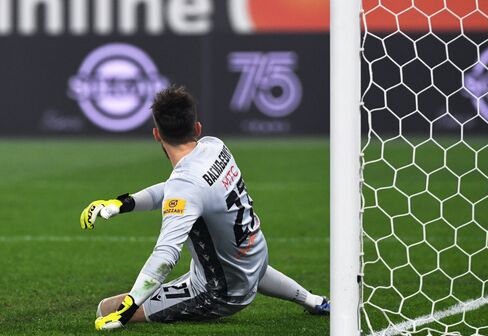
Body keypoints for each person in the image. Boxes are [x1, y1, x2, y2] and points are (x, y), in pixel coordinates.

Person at [80, 85, 329, 330]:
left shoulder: (186, 185)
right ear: (197, 128)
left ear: (157, 134)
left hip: (220, 291)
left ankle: (133, 305)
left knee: (105, 309)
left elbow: (166, 255)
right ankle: (314, 301)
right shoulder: (215, 147)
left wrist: (130, 305)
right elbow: (175, 189)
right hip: (254, 256)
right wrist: (122, 203)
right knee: (241, 263)